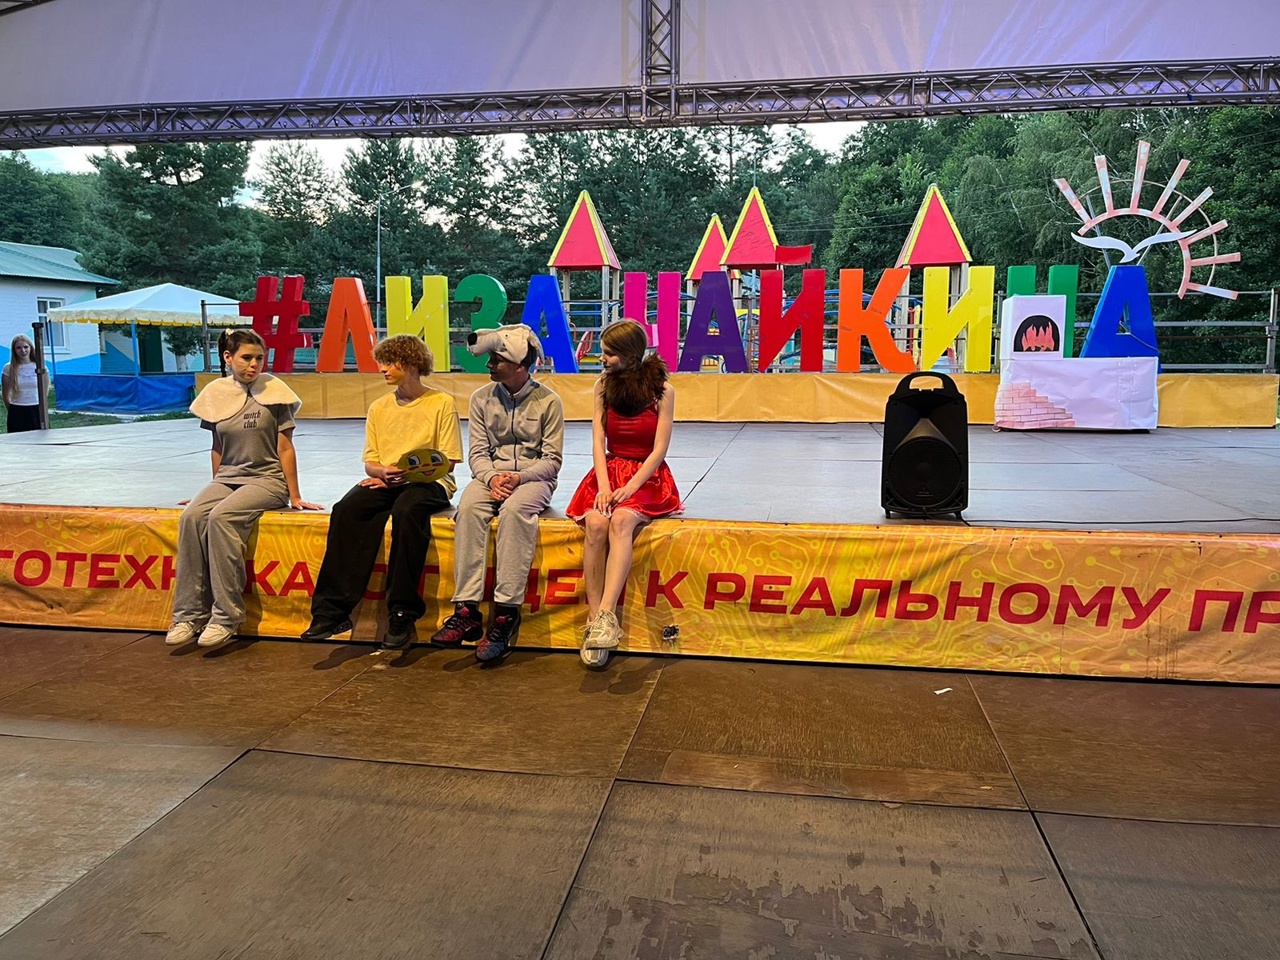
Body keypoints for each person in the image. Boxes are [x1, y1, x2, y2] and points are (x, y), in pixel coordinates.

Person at [302, 335, 463, 650]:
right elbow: (371, 462)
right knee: (347, 508)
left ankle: (402, 613)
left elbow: (449, 461)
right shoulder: (379, 407)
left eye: (390, 362)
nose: (383, 369)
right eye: (383, 363)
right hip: (388, 480)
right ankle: (331, 612)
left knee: (407, 510)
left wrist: (400, 478)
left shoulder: (441, 403)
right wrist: (381, 474)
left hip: (430, 482)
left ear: (412, 364)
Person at [166, 328, 322, 649]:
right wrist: (210, 489)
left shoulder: (275, 392)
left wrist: (294, 495)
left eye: (259, 359)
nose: (254, 365)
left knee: (221, 518)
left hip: (267, 480)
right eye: (247, 358)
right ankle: (188, 615)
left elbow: (285, 448)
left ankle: (226, 616)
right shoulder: (216, 394)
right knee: (193, 516)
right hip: (227, 479)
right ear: (228, 358)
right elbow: (217, 447)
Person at [430, 323, 563, 664]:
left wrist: (518, 477)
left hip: (533, 480)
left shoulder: (549, 402)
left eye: (496, 360)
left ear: (519, 365)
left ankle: (506, 613)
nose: (489, 365)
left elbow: (551, 461)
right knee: (469, 508)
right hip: (490, 478)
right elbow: (477, 453)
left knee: (515, 512)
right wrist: (491, 478)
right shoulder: (481, 399)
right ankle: (466, 610)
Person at [566, 318, 681, 668]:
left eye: (609, 353)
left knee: (620, 521)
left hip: (646, 477)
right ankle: (593, 619)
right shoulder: (602, 385)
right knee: (596, 524)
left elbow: (659, 449)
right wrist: (604, 486)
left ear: (631, 355)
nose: (602, 358)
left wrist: (630, 488)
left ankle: (606, 616)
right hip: (610, 471)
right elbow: (598, 440)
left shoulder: (663, 390)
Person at [2, 334, 42, 433]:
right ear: (14, 350)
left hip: (36, 410)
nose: (23, 350)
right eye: (18, 348)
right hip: (17, 410)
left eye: (25, 347)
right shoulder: (8, 368)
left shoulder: (40, 366)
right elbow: (5, 395)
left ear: (30, 348)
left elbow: (44, 392)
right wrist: (13, 411)